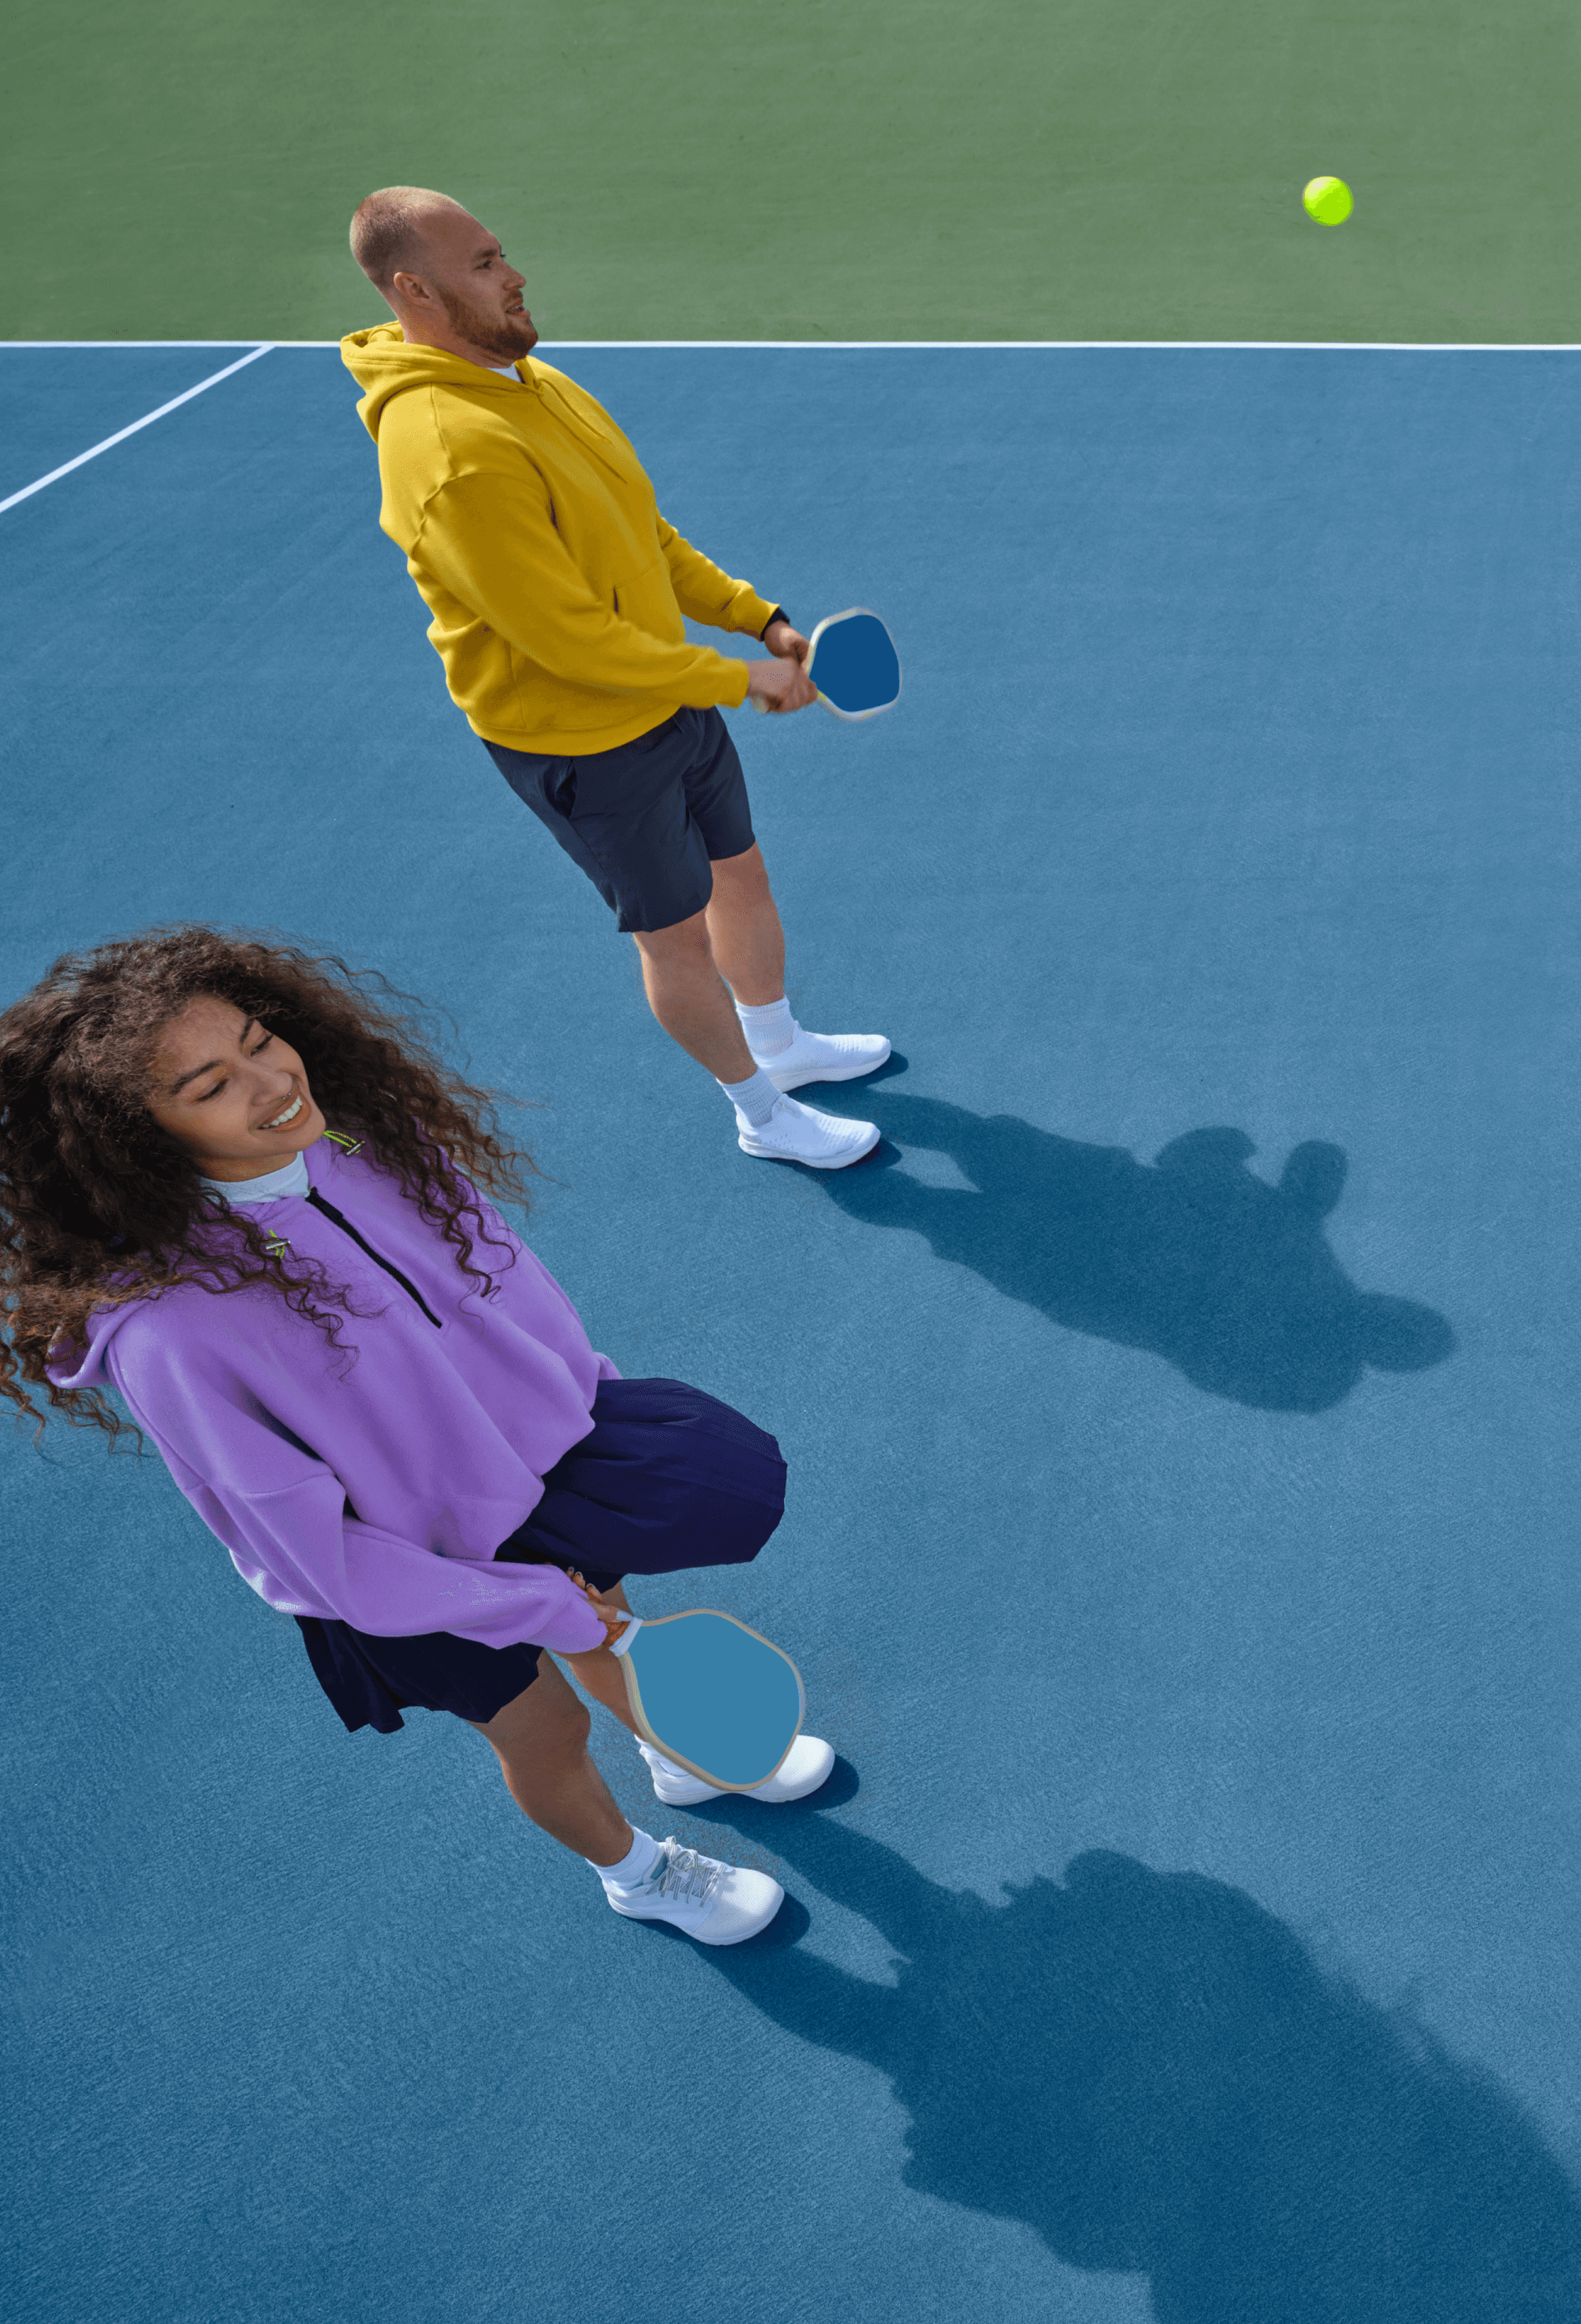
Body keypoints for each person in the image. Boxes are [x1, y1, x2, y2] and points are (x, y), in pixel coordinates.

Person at [0, 928, 838, 1943]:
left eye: (262, 1040)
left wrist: (580, 1407)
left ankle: (676, 1752)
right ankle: (641, 1873)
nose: (271, 1081)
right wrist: (520, 1598)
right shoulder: (170, 1334)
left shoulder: (363, 1148)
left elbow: (509, 1295)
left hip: (531, 1485)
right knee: (545, 1729)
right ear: (141, 1137)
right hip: (403, 1584)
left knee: (610, 1624)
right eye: (211, 1084)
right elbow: (313, 1554)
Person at [341, 186, 887, 1170]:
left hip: (666, 695)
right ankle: (760, 1113)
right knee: (674, 940)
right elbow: (569, 642)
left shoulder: (530, 383)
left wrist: (756, 617)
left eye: (502, 252)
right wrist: (738, 680)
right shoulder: (452, 450)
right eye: (483, 265)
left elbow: (646, 535)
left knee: (741, 872)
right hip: (583, 740)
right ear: (413, 289)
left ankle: (781, 1044)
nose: (513, 275)